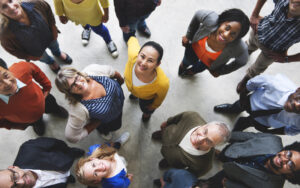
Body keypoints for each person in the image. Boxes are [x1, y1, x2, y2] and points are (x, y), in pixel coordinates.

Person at [237, 0, 300, 93]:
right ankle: (247, 52)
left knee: (258, 67)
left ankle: (247, 78)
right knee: (250, 44)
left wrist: (286, 59)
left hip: (273, 52)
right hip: (258, 31)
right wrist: (254, 14)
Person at [196, 132, 300, 188]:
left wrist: (229, 185)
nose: (284, 159)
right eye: (289, 154)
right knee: (224, 154)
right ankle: (220, 156)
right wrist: (223, 136)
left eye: (290, 164)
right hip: (234, 152)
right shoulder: (273, 140)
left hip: (231, 175)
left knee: (210, 184)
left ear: (290, 175)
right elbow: (246, 136)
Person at [214, 74, 300, 135]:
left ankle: (237, 130)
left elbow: (292, 130)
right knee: (238, 105)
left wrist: (270, 132)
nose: (297, 105)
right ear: (298, 90)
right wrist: (243, 97)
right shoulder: (277, 83)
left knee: (246, 123)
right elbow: (253, 83)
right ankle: (232, 109)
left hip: (264, 122)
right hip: (250, 102)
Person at [0, 0, 72, 73]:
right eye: (4, 6)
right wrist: (30, 57)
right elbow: (13, 50)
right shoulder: (5, 34)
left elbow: (48, 12)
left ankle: (57, 53)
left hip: (50, 37)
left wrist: (54, 30)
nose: (11, 7)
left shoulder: (36, 3)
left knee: (55, 47)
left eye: (11, 1)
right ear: (0, 12)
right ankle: (50, 62)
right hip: (36, 52)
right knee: (45, 58)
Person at [55, 64, 125, 140]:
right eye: (72, 86)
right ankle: (104, 132)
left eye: (76, 78)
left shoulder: (93, 70)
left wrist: (120, 82)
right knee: (115, 126)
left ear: (78, 73)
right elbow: (71, 136)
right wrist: (97, 122)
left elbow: (113, 73)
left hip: (120, 102)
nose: (79, 84)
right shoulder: (77, 108)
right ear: (69, 92)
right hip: (110, 119)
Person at [0, 59, 68, 136]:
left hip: (43, 98)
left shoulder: (21, 68)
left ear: (8, 70)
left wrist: (46, 86)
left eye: (6, 75)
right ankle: (37, 124)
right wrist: (20, 125)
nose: (8, 83)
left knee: (52, 105)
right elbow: (2, 123)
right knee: (36, 121)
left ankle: (56, 110)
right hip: (28, 119)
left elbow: (33, 69)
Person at [151, 111, 230, 176]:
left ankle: (167, 161)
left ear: (214, 146)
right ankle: (162, 134)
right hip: (167, 133)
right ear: (205, 124)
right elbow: (175, 119)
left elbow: (189, 175)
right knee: (165, 132)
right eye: (205, 131)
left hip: (174, 161)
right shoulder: (191, 116)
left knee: (171, 160)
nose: (199, 139)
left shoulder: (204, 165)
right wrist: (167, 124)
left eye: (208, 141)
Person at [178, 9, 250, 77]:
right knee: (188, 60)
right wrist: (189, 36)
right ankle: (184, 65)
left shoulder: (238, 47)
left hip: (208, 63)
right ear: (222, 22)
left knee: (199, 68)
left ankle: (192, 71)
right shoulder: (210, 19)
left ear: (237, 38)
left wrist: (221, 71)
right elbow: (197, 15)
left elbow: (243, 61)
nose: (225, 34)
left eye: (233, 34)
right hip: (193, 48)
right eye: (227, 28)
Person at [0, 137, 84, 188]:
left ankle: (72, 152)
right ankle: (67, 178)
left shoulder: (30, 148)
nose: (21, 182)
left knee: (70, 153)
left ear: (13, 168)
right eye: (13, 187)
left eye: (14, 177)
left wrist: (68, 151)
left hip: (66, 158)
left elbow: (57, 144)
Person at [124, 37, 169, 122]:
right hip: (133, 88)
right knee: (135, 92)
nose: (143, 63)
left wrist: (154, 106)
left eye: (150, 61)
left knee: (146, 109)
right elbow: (132, 40)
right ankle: (134, 94)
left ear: (157, 64)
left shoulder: (162, 83)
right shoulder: (132, 55)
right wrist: (130, 35)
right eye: (142, 56)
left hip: (146, 99)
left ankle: (146, 114)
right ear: (138, 54)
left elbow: (160, 97)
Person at [53, 0, 119, 58]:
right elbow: (57, 1)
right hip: (75, 14)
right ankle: (86, 29)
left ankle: (108, 41)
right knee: (83, 23)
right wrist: (60, 15)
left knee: (99, 30)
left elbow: (104, 1)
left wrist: (106, 14)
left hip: (93, 15)